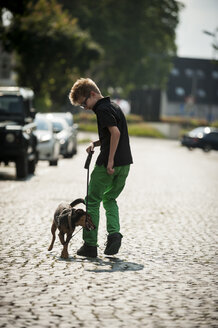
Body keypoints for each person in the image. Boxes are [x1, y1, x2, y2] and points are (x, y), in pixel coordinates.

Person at [69, 78, 133, 257]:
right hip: (125, 164)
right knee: (109, 198)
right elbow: (112, 135)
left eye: (84, 103)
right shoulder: (114, 106)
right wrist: (96, 143)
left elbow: (116, 133)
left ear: (92, 94)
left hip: (108, 164)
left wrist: (110, 160)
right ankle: (114, 234)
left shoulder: (102, 109)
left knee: (92, 200)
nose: (85, 108)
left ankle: (90, 245)